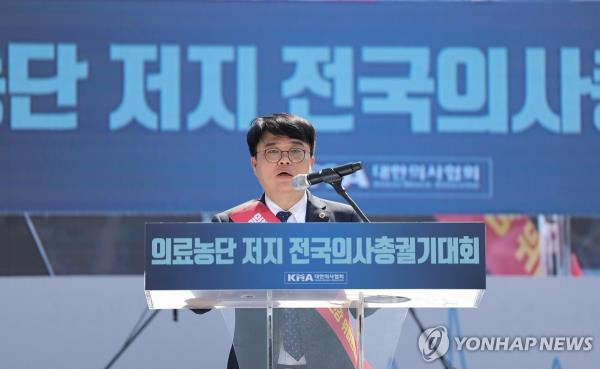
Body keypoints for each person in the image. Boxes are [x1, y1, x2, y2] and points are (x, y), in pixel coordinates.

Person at [195, 113, 362, 369]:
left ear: (311, 162)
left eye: (296, 152)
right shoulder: (230, 224)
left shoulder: (344, 219)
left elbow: (370, 304)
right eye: (272, 152)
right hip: (256, 361)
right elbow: (200, 304)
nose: (285, 160)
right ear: (254, 163)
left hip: (331, 361)